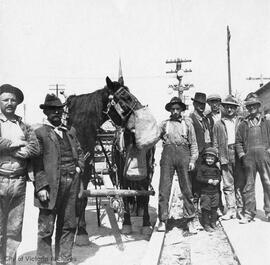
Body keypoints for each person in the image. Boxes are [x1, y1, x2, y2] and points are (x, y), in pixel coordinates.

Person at [33, 94, 84, 265]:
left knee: (69, 223)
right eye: (52, 110)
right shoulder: (39, 133)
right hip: (50, 186)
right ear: (46, 112)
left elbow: (80, 152)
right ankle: (44, 262)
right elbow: (36, 162)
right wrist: (41, 187)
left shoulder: (70, 131)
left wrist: (79, 167)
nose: (56, 112)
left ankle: (64, 259)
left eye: (59, 109)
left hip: (72, 183)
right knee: (46, 228)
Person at [0, 84, 40, 265]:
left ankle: (10, 262)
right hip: (0, 179)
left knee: (14, 228)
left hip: (19, 182)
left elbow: (35, 147)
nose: (10, 103)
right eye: (5, 99)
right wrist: (16, 145)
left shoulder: (23, 125)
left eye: (13, 100)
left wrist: (21, 151)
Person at [157, 97, 198, 234]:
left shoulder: (188, 124)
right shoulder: (164, 124)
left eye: (177, 109)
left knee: (186, 188)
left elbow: (194, 144)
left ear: (181, 110)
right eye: (173, 109)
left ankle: (190, 220)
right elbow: (153, 138)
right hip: (168, 156)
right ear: (170, 110)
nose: (175, 111)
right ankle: (162, 220)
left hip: (183, 155)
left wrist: (192, 160)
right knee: (164, 188)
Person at [236, 93, 270, 223]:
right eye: (249, 106)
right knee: (249, 185)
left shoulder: (266, 122)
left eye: (254, 106)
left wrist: (268, 151)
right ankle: (249, 213)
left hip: (264, 157)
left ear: (258, 106)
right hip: (249, 158)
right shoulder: (243, 124)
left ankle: (269, 212)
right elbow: (238, 142)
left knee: (268, 183)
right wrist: (242, 155)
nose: (251, 108)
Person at [213, 95, 244, 220]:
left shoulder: (241, 122)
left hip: (238, 153)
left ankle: (240, 209)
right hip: (225, 154)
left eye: (232, 107)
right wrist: (217, 158)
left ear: (236, 108)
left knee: (240, 182)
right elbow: (215, 143)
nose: (229, 110)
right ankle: (230, 209)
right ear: (224, 108)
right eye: (227, 107)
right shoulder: (218, 124)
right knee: (227, 183)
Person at [189, 92, 211, 229]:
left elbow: (208, 138)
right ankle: (194, 217)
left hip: (206, 157)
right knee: (195, 187)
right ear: (194, 104)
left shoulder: (206, 120)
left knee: (205, 187)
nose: (201, 106)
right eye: (198, 104)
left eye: (203, 104)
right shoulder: (190, 119)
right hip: (196, 158)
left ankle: (205, 216)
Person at [206, 94, 224, 216]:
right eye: (212, 102)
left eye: (217, 102)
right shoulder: (207, 118)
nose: (214, 105)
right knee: (216, 179)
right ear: (209, 104)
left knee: (229, 180)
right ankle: (217, 206)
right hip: (214, 151)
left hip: (226, 150)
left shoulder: (225, 116)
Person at [196, 147, 221, 232]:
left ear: (215, 159)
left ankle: (213, 223)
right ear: (205, 158)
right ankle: (206, 224)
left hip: (215, 192)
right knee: (206, 208)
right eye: (208, 158)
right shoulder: (202, 168)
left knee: (214, 208)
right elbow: (198, 178)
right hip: (205, 193)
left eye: (211, 159)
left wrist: (217, 180)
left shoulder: (216, 168)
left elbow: (219, 177)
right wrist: (208, 181)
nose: (209, 160)